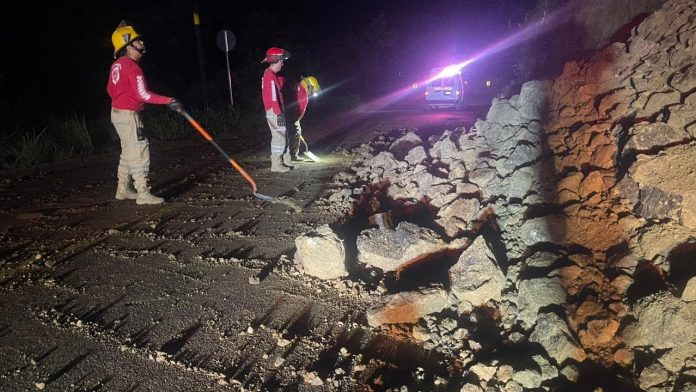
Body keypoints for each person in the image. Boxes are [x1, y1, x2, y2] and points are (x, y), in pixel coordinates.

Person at [107, 21, 182, 205]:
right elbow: (144, 94)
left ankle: (122, 189)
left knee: (127, 151)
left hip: (117, 113)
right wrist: (168, 100)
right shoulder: (133, 67)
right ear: (128, 45)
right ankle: (142, 193)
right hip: (129, 115)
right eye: (137, 41)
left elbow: (109, 89)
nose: (141, 44)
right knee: (140, 150)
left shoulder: (117, 65)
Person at [261, 47, 293, 172]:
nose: (283, 63)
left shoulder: (271, 75)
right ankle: (276, 164)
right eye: (281, 61)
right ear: (276, 60)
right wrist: (278, 113)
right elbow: (273, 96)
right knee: (279, 137)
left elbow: (278, 86)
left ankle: (286, 160)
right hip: (275, 111)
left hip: (276, 110)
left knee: (283, 135)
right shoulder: (269, 75)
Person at [289, 76, 321, 161]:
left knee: (294, 133)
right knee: (295, 133)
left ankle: (288, 155)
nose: (311, 93)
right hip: (291, 117)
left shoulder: (300, 89)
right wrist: (296, 119)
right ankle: (292, 156)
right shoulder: (301, 92)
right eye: (312, 91)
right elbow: (298, 106)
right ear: (308, 86)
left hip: (292, 116)